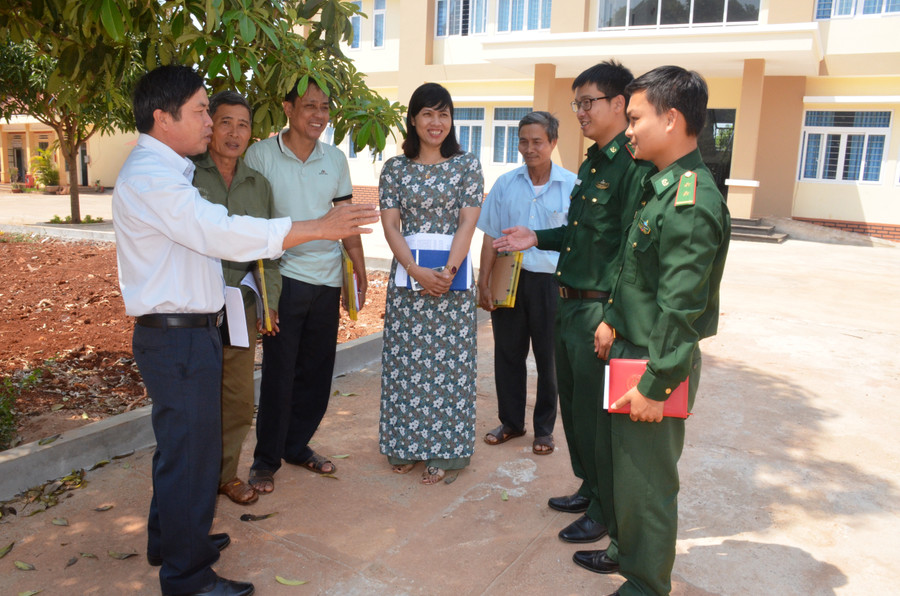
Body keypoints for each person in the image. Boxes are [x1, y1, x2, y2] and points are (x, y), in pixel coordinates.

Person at [113, 64, 378, 596]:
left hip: (186, 332)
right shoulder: (152, 178)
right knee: (191, 455)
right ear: (164, 119)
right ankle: (187, 577)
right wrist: (316, 228)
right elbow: (224, 232)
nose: (211, 122)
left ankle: (172, 540)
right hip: (178, 336)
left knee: (182, 448)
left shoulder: (167, 171)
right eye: (201, 111)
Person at [577, 66, 731, 596]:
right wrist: (613, 321)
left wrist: (657, 384)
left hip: (654, 360)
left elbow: (680, 308)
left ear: (672, 119)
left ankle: (646, 584)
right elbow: (634, 267)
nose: (629, 129)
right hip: (630, 346)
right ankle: (625, 549)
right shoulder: (657, 184)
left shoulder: (691, 202)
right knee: (621, 470)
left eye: (636, 117)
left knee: (647, 484)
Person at [493, 61, 652, 544]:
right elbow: (581, 233)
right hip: (570, 302)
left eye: (589, 102)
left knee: (599, 417)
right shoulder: (595, 162)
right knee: (578, 411)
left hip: (598, 309)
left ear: (619, 105)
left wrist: (613, 317)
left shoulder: (632, 164)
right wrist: (534, 236)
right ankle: (590, 487)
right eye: (576, 103)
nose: (581, 111)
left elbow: (632, 249)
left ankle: (605, 509)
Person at [244, 80, 367, 494]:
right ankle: (265, 460)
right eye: (310, 105)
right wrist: (263, 292)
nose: (318, 114)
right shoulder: (260, 155)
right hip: (284, 280)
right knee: (280, 373)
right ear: (288, 107)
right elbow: (252, 226)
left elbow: (346, 219)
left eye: (325, 106)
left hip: (328, 280)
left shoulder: (334, 160)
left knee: (317, 372)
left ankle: (297, 446)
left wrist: (360, 269)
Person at [378, 82, 483, 485]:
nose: (435, 122)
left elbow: (467, 221)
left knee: (450, 366)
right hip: (408, 280)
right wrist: (416, 270)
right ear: (413, 119)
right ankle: (404, 445)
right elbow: (390, 225)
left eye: (443, 114)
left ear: (451, 120)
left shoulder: (466, 165)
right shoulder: (395, 169)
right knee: (406, 363)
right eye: (427, 113)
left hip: (452, 282)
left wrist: (448, 274)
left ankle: (447, 451)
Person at [190, 90, 281, 506]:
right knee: (196, 403)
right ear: (210, 127)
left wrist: (270, 302)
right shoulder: (188, 177)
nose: (234, 132)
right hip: (194, 305)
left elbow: (267, 251)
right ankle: (193, 481)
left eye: (243, 125)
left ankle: (225, 476)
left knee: (240, 400)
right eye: (225, 122)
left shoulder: (258, 186)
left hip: (240, 307)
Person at [476, 111, 575, 455]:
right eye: (523, 141)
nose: (529, 148)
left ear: (553, 143)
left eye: (537, 141)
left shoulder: (572, 186)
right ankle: (512, 423)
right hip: (509, 279)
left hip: (551, 284)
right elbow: (490, 235)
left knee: (549, 359)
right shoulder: (505, 184)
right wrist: (483, 281)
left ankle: (544, 430)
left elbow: (577, 242)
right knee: (507, 353)